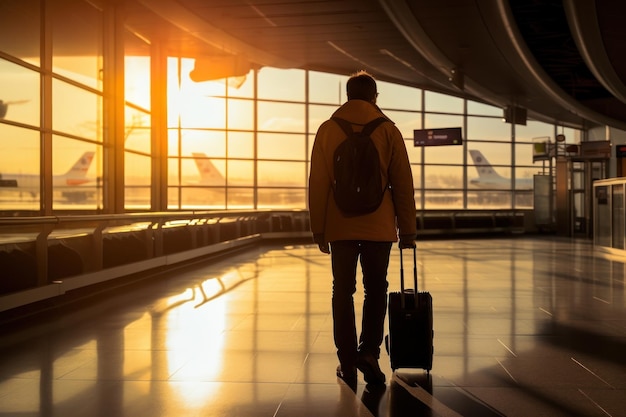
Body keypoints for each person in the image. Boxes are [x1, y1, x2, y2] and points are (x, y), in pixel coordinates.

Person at [308, 70, 417, 387]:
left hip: (339, 226)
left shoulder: (328, 130)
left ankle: (346, 360)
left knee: (342, 291)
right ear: (375, 97)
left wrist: (319, 228)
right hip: (378, 227)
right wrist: (407, 230)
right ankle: (368, 352)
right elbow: (402, 184)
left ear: (346, 95)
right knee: (375, 289)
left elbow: (318, 183)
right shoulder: (388, 130)